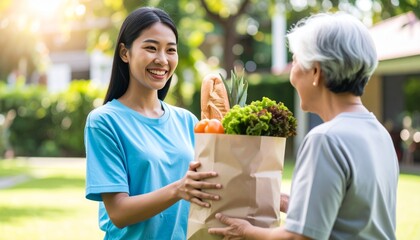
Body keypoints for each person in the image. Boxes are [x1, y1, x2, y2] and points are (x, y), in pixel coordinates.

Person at [208, 12, 399, 240]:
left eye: (296, 61)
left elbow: (299, 238)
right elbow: (354, 216)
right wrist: (292, 203)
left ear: (316, 71)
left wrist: (246, 231)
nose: (292, 74)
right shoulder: (379, 133)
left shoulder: (325, 139)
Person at [84, 7, 221, 239]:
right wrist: (179, 189)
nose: (162, 60)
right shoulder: (104, 122)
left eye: (171, 50)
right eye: (151, 48)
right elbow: (118, 211)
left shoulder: (188, 121)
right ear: (125, 53)